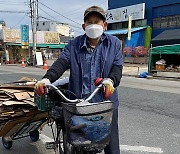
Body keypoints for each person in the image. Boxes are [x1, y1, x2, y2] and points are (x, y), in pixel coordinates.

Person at [35, 5, 123, 154]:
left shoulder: (114, 44)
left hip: (106, 104)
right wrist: (46, 79)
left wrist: (110, 81)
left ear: (105, 25)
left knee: (111, 146)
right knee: (79, 144)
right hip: (79, 105)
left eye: (97, 22)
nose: (93, 25)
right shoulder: (73, 45)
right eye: (89, 22)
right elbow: (61, 63)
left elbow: (117, 67)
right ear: (83, 26)